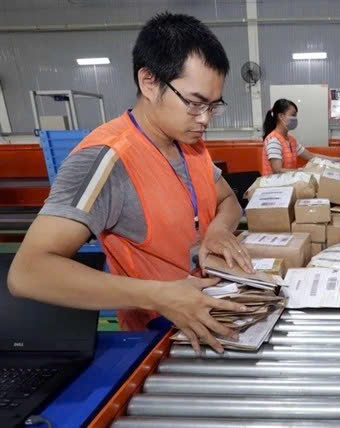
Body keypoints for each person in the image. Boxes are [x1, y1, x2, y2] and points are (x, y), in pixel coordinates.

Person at [8, 13, 255, 355]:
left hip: (206, 309)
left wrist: (217, 230)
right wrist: (156, 295)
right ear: (149, 82)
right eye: (195, 103)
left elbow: (229, 201)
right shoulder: (107, 159)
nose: (204, 120)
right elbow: (28, 272)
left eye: (213, 107)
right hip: (157, 336)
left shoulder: (190, 144)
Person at [261, 98, 339, 175]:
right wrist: (303, 171)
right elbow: (277, 170)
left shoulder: (291, 140)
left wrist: (336, 160)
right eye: (293, 115)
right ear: (281, 116)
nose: (295, 119)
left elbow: (310, 156)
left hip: (287, 182)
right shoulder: (273, 140)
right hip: (274, 186)